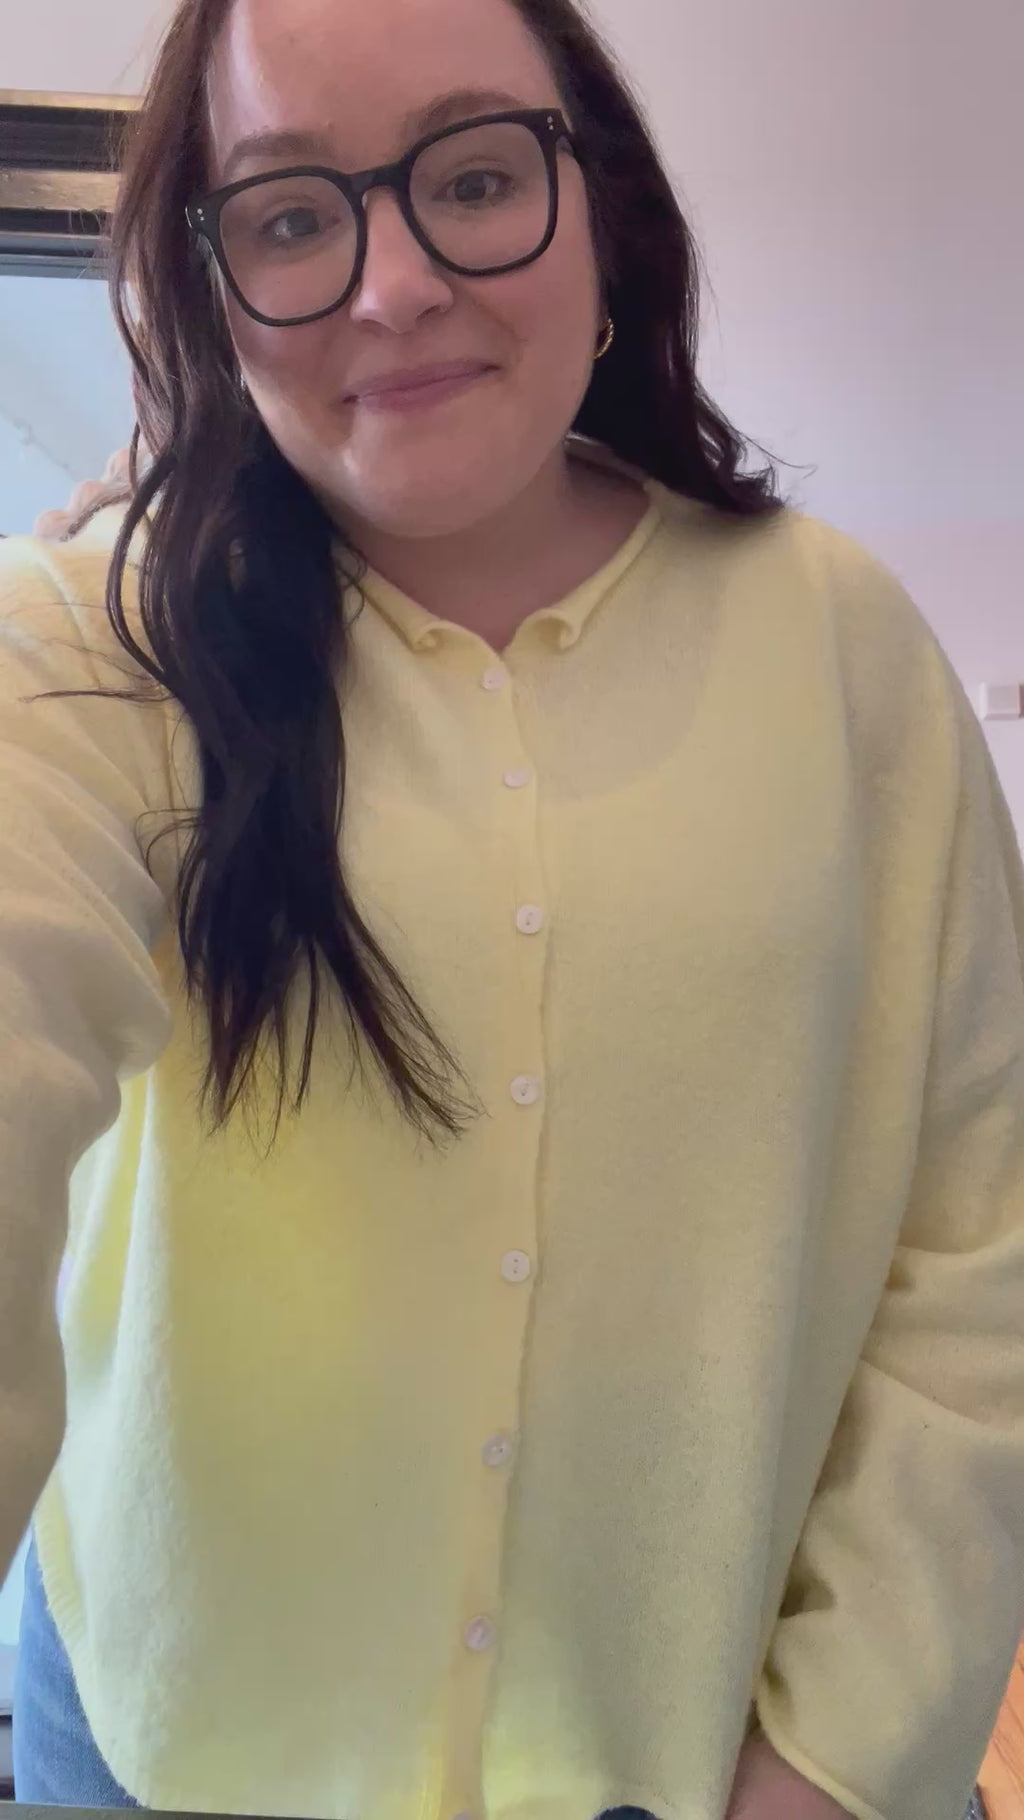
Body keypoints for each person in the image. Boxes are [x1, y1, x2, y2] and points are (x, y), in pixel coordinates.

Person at [0, 0, 1021, 1814]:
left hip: (692, 1756)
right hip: (155, 1738)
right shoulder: (100, 647)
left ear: (600, 208)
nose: (394, 286)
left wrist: (842, 1756)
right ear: (215, 286)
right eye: (292, 216)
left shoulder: (844, 647)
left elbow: (983, 1240)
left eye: (473, 180)